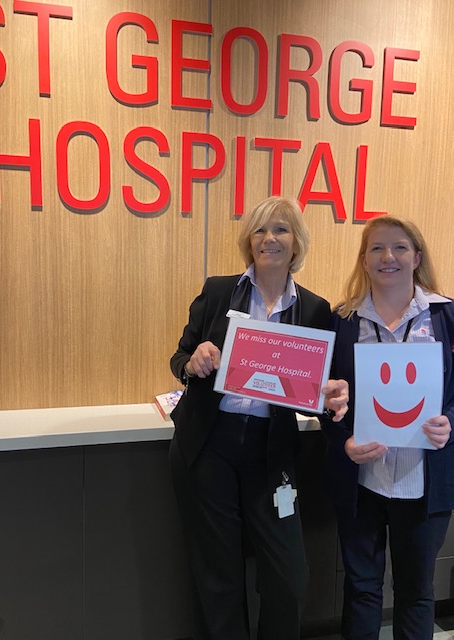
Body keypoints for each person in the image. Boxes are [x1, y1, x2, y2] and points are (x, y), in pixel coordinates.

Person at [169, 195, 348, 640]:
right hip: (209, 444)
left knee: (289, 575)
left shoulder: (314, 309)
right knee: (219, 573)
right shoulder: (217, 290)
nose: (270, 239)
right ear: (249, 241)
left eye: (281, 230)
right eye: (260, 230)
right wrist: (193, 362)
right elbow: (179, 356)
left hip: (272, 450)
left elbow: (317, 389)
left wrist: (328, 396)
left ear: (296, 242)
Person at [320, 215, 454, 640]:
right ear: (363, 259)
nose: (388, 256)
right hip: (363, 481)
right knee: (361, 590)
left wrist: (452, 425)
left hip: (424, 481)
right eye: (376, 248)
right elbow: (323, 400)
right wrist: (342, 441)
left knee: (416, 592)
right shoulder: (340, 321)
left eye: (399, 247)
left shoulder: (447, 316)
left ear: (417, 256)